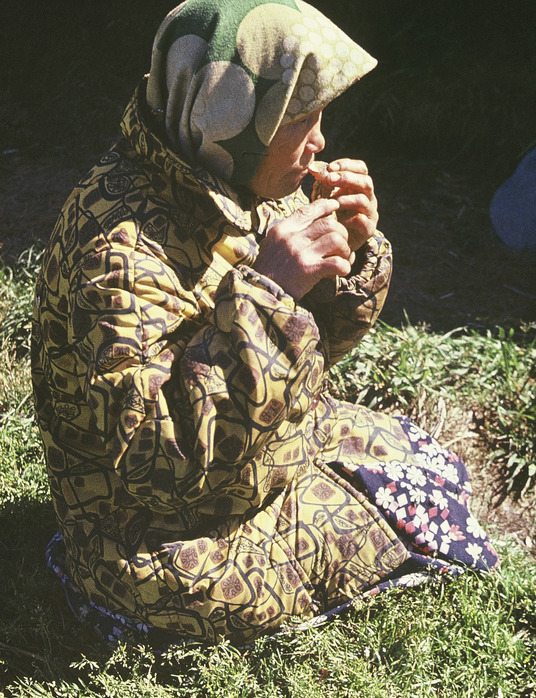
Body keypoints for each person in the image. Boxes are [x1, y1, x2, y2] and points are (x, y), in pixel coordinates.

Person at [32, 0, 498, 647]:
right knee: (403, 513)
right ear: (233, 118)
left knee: (415, 463)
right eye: (301, 118)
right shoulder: (116, 260)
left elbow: (316, 347)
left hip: (234, 462)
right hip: (150, 536)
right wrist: (273, 291)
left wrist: (349, 255)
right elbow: (159, 467)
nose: (319, 141)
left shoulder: (224, 173)